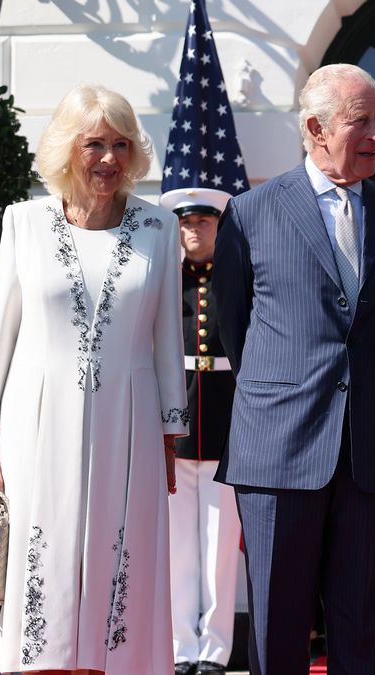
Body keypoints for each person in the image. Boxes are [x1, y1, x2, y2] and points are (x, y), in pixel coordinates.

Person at [212, 63, 375, 674]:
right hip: (278, 448)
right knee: (278, 628)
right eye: (361, 122)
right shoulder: (250, 213)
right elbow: (235, 327)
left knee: (365, 628)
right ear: (315, 128)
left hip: (372, 452)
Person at [0, 84, 188, 674]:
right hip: (36, 423)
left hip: (131, 425)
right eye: (94, 144)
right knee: (45, 567)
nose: (109, 158)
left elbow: (167, 338)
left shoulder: (160, 228)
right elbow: (1, 331)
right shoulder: (24, 222)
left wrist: (171, 434)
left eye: (121, 144)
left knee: (122, 568)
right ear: (68, 148)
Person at [160, 187, 241, 675]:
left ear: (217, 226)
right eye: (187, 223)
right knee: (178, 548)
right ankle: (180, 647)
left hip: (225, 425)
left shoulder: (235, 278)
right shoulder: (165, 280)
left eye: (203, 223)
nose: (194, 231)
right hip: (176, 430)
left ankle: (213, 651)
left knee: (219, 549)